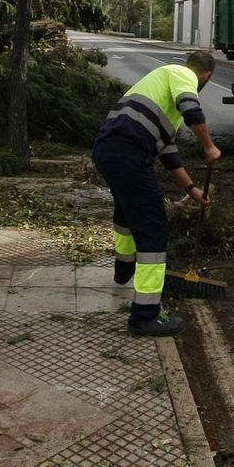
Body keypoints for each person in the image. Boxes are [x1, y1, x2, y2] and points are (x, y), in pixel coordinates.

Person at [92, 50, 221, 337]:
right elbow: (191, 109)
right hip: (130, 154)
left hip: (107, 151)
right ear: (206, 76)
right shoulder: (183, 76)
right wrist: (209, 146)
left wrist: (191, 189)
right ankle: (144, 316)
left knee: (126, 211)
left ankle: (123, 269)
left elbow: (167, 152)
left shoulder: (161, 82)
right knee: (154, 227)